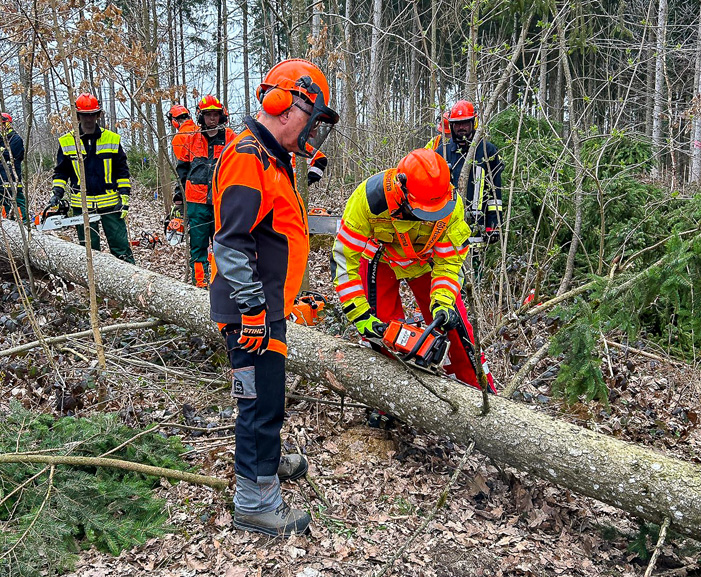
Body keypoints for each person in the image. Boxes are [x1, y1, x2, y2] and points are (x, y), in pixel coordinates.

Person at [211, 58, 339, 537]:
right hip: (254, 309)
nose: (313, 134)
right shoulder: (249, 157)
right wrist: (253, 312)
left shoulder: (273, 157)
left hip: (268, 304)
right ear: (285, 106)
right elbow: (231, 243)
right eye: (312, 119)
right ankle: (254, 500)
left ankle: (266, 463)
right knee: (259, 403)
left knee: (269, 396)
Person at [332, 148, 481, 396]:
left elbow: (449, 261)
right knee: (383, 332)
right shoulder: (369, 200)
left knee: (455, 328)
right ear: (402, 190)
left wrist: (443, 301)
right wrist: (361, 316)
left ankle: (476, 395)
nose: (428, 218)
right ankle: (388, 402)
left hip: (426, 262)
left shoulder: (451, 206)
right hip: (380, 259)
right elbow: (344, 262)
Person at [49, 93, 134, 264]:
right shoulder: (67, 141)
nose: (88, 119)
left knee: (121, 247)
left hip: (110, 203)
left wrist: (124, 195)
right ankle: (92, 287)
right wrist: (57, 193)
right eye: (84, 115)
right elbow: (61, 172)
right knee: (88, 250)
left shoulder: (112, 139)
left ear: (98, 115)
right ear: (78, 116)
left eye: (91, 115)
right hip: (82, 205)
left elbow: (122, 171)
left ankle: (132, 282)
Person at [173, 95, 236, 287]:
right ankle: (199, 284)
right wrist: (179, 197)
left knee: (223, 245)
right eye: (208, 115)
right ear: (202, 117)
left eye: (215, 115)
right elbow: (182, 169)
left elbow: (237, 169)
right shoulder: (191, 139)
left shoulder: (230, 138)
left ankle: (222, 284)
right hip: (196, 202)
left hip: (222, 202)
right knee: (198, 245)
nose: (212, 119)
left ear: (221, 116)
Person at [435, 100, 503, 244]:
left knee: (476, 265)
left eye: (465, 123)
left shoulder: (487, 151)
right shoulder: (442, 152)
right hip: (447, 228)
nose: (461, 128)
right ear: (451, 126)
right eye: (457, 124)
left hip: (478, 228)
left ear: (474, 123)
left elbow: (495, 192)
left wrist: (494, 225)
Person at [0, 113, 27, 221]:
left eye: (2, 124)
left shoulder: (15, 138)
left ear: (8, 123)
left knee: (17, 198)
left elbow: (9, 154)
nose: (0, 126)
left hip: (12, 174)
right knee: (3, 199)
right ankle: (7, 220)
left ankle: (22, 220)